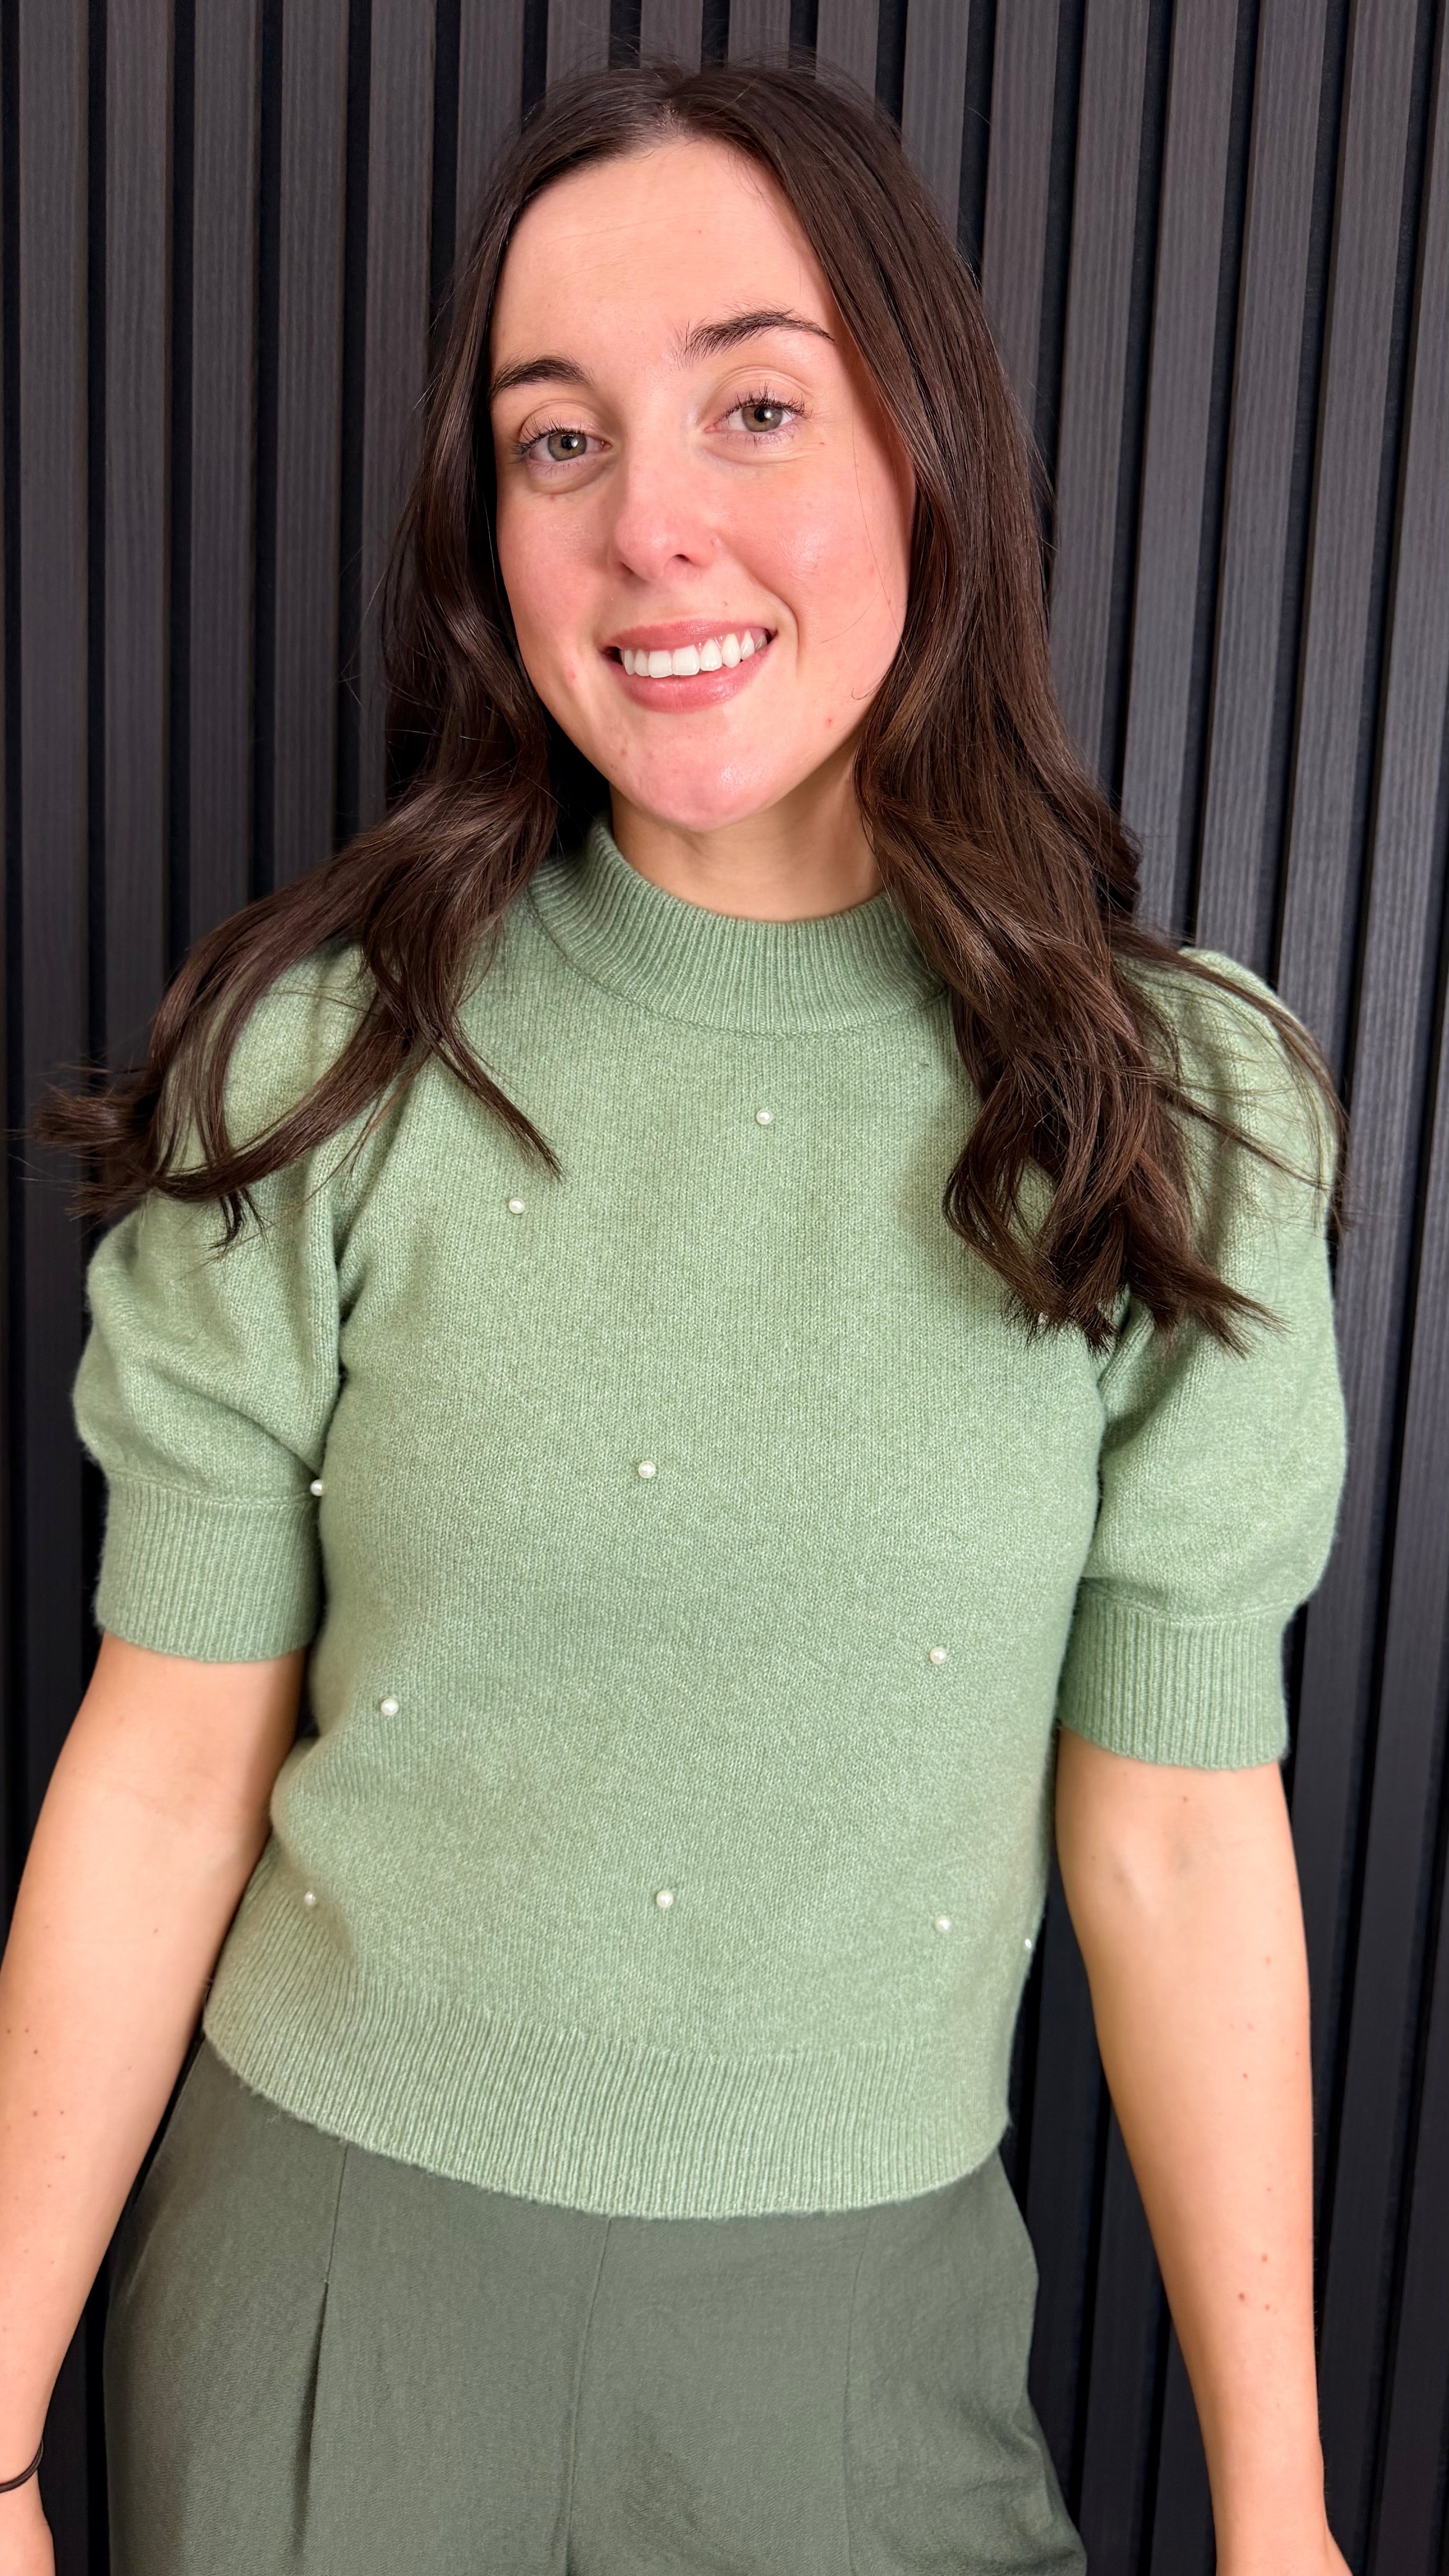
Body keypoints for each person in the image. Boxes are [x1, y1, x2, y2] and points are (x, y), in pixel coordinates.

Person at [0, 58, 1352, 2576]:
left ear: (927, 450)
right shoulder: (317, 1063)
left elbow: (1179, 1833)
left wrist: (1279, 2516)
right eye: (558, 441)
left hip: (867, 2369)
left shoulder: (1180, 1112)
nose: (650, 527)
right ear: (488, 534)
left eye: (756, 405)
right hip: (323, 2310)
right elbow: (167, 1766)